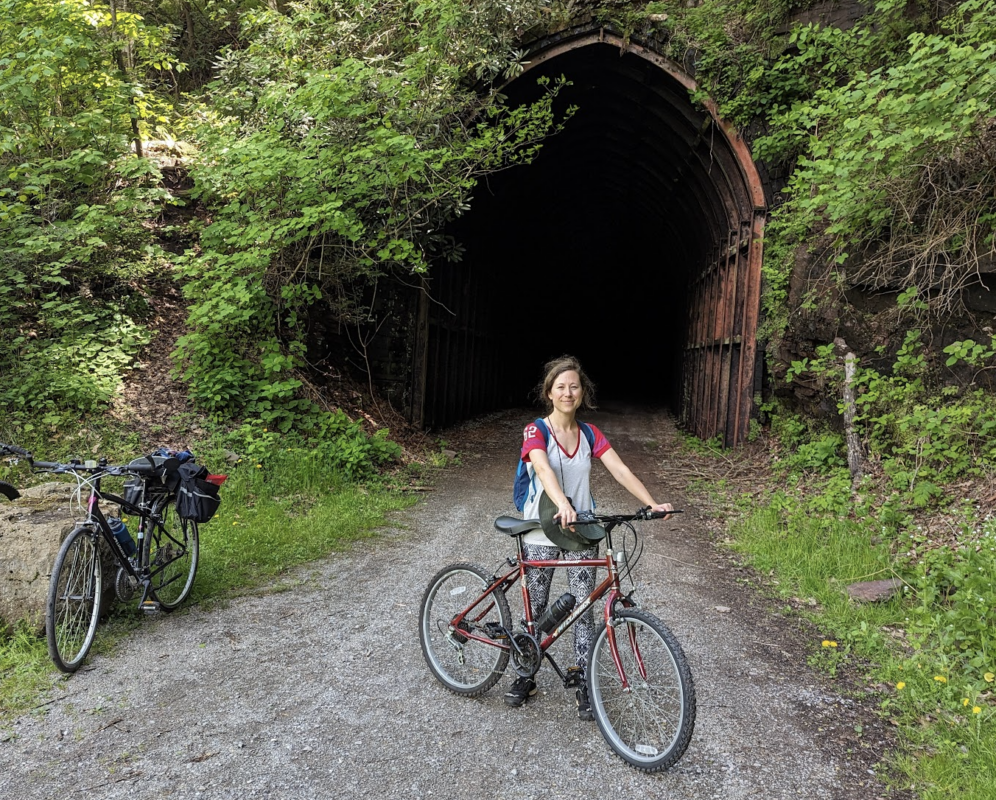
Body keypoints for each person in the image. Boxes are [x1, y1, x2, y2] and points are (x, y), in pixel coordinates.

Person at [505, 355, 673, 719]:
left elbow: (620, 469)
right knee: (536, 609)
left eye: (574, 386)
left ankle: (583, 679)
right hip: (541, 529)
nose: (568, 392)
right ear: (549, 392)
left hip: (580, 531)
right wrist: (562, 502)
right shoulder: (536, 431)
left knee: (583, 608)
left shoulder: (590, 434)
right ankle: (526, 672)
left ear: (583, 393)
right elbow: (543, 467)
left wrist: (652, 503)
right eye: (561, 387)